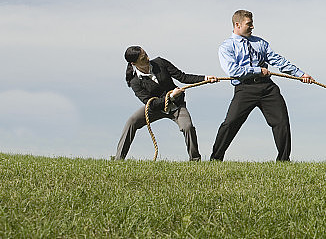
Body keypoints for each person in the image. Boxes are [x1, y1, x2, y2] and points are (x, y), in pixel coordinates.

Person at [210, 9, 314, 162]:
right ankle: (216, 159)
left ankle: (284, 161)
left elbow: (278, 60)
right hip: (245, 88)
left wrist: (300, 74)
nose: (252, 27)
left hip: (267, 88)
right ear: (237, 25)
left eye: (252, 24)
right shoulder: (226, 47)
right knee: (230, 123)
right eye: (249, 24)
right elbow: (233, 70)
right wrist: (258, 70)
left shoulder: (260, 43)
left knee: (281, 122)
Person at [115, 46, 216, 161]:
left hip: (176, 106)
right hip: (155, 109)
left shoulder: (160, 62)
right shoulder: (135, 82)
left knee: (187, 127)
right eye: (143, 58)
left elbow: (182, 77)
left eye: (146, 54)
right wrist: (172, 95)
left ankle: (195, 160)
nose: (148, 58)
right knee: (131, 121)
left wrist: (205, 78)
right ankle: (118, 160)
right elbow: (151, 104)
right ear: (134, 63)